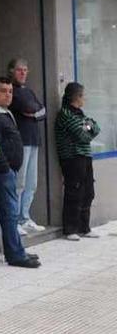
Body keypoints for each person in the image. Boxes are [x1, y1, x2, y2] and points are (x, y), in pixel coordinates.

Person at [0, 77, 40, 269]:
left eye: (10, 91)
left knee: (10, 213)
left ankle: (17, 250)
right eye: (3, 91)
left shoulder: (2, 110)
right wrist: (5, 167)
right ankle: (15, 255)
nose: (8, 95)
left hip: (8, 170)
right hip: (0, 172)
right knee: (9, 213)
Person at [55, 82, 101, 241]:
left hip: (85, 157)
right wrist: (88, 127)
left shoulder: (80, 114)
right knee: (74, 191)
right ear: (76, 97)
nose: (85, 98)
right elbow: (83, 136)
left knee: (88, 191)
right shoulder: (66, 114)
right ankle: (70, 229)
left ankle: (84, 227)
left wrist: (87, 126)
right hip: (72, 158)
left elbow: (96, 127)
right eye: (83, 95)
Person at [8, 59, 47, 236]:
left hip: (34, 140)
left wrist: (35, 112)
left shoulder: (29, 91)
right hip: (21, 141)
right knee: (19, 182)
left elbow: (42, 111)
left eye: (25, 70)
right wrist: (35, 111)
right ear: (11, 71)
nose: (23, 73)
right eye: (19, 70)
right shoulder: (12, 92)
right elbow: (28, 107)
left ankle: (25, 217)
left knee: (32, 183)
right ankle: (14, 219)